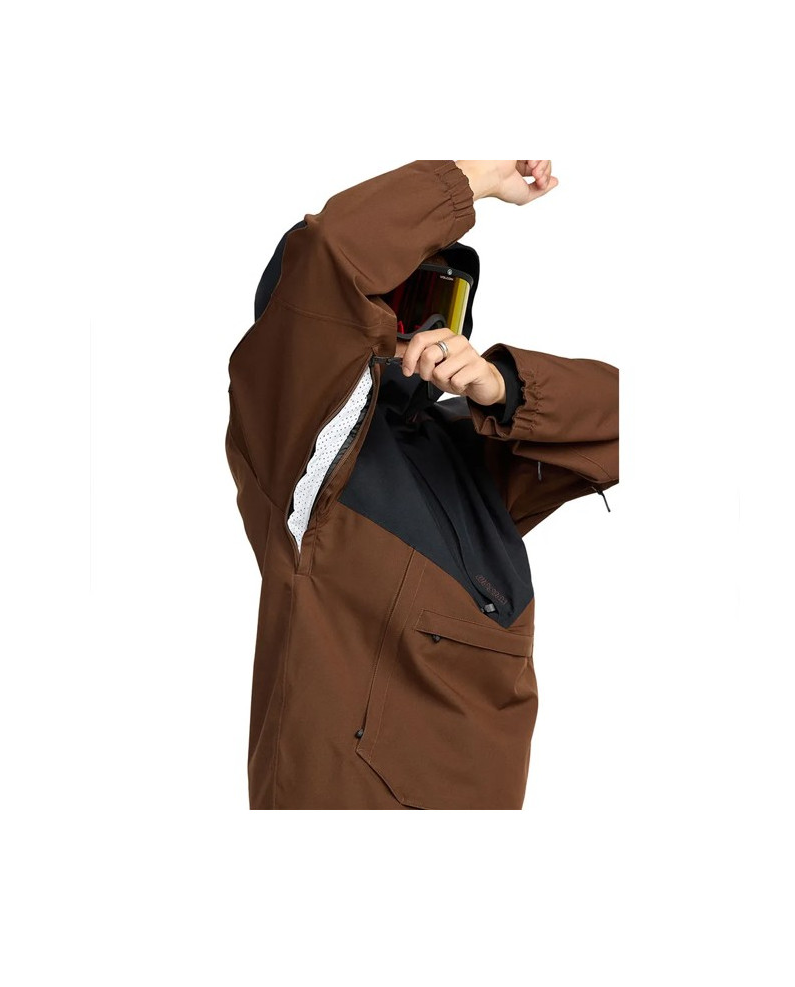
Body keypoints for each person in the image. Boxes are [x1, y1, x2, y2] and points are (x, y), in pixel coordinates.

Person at [224, 159, 619, 809]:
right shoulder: (299, 441)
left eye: (442, 305)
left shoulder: (468, 449)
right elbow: (334, 253)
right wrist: (481, 173)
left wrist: (502, 386)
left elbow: (624, 421)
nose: (427, 332)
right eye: (402, 305)